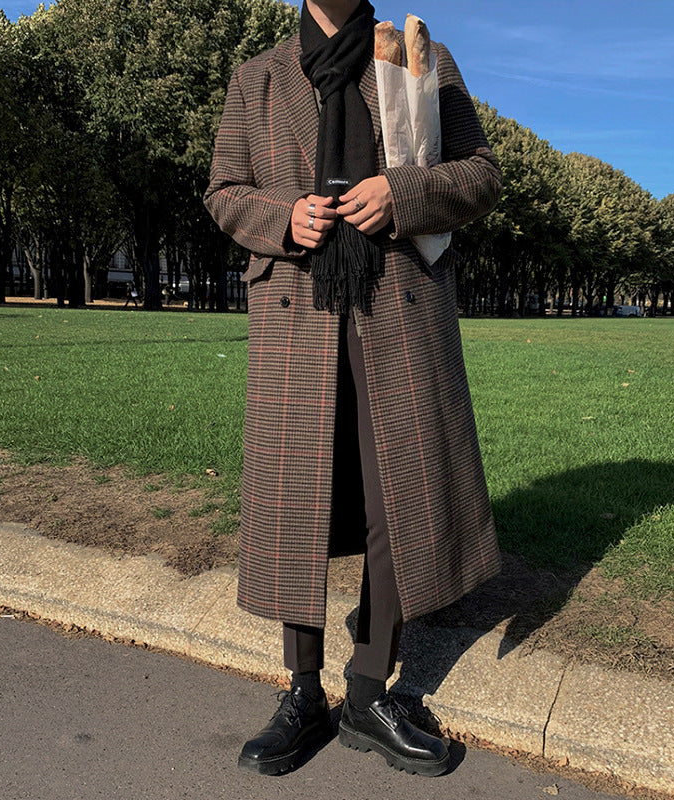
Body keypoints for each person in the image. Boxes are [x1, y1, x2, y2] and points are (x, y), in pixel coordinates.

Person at [205, 0, 502, 777]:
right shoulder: (256, 78)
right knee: (294, 500)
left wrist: (401, 194)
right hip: (294, 311)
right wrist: (284, 215)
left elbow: (480, 174)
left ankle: (369, 692)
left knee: (394, 493)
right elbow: (224, 191)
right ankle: (302, 694)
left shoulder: (421, 58)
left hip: (398, 310)